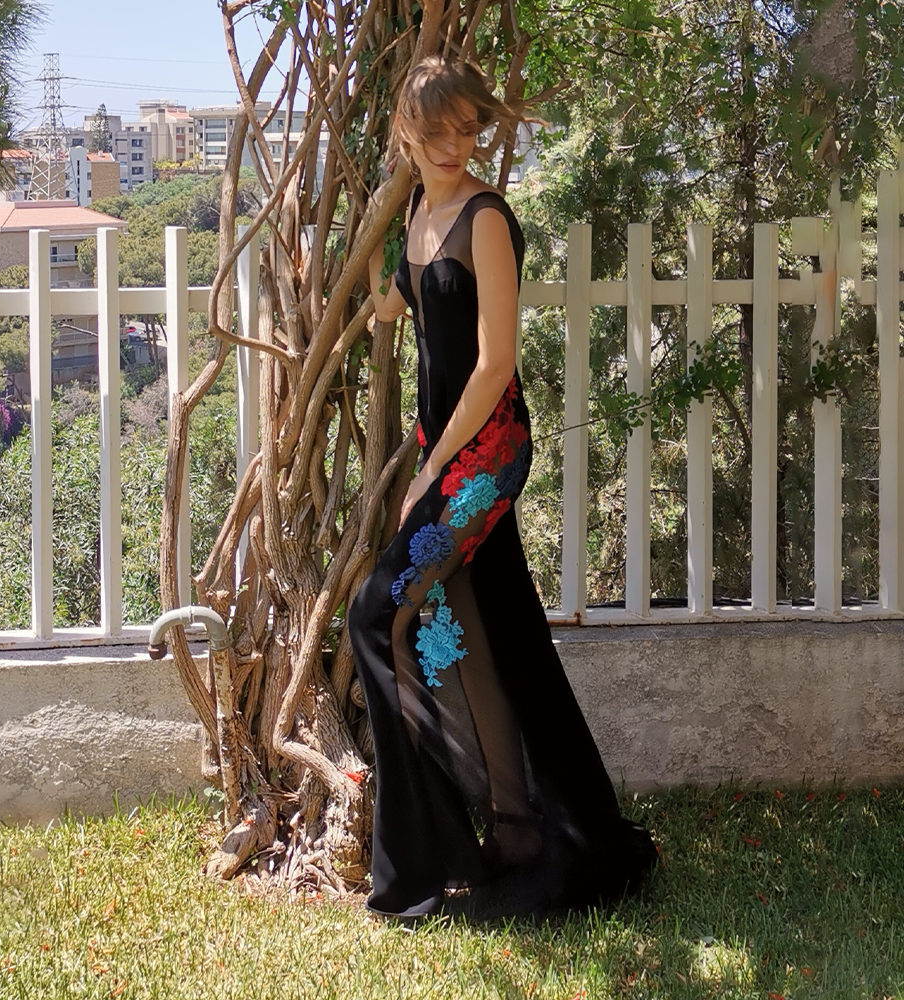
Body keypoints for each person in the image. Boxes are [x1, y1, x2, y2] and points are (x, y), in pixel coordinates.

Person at [348, 53, 657, 921]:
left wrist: (435, 469)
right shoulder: (419, 207)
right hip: (451, 454)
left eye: (467, 129)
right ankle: (524, 825)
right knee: (478, 630)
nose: (453, 145)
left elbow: (492, 365)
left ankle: (421, 855)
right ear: (406, 131)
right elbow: (414, 299)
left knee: (379, 613)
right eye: (435, 130)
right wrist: (373, 305)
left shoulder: (486, 216)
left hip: (485, 458)